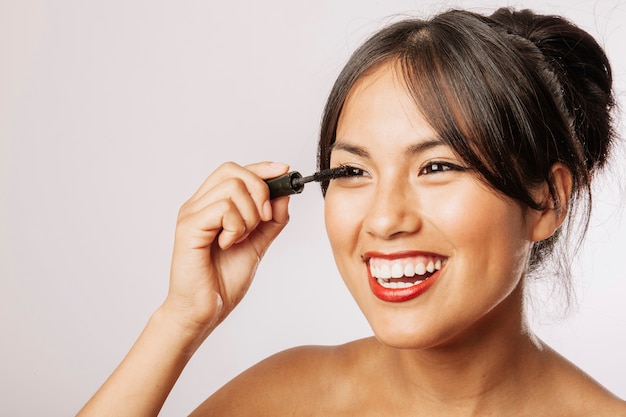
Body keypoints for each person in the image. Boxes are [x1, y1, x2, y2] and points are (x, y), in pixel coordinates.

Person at [78, 7, 626, 416]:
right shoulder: (286, 401)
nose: (384, 220)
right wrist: (180, 319)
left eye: (436, 167)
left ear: (548, 201)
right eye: (353, 172)